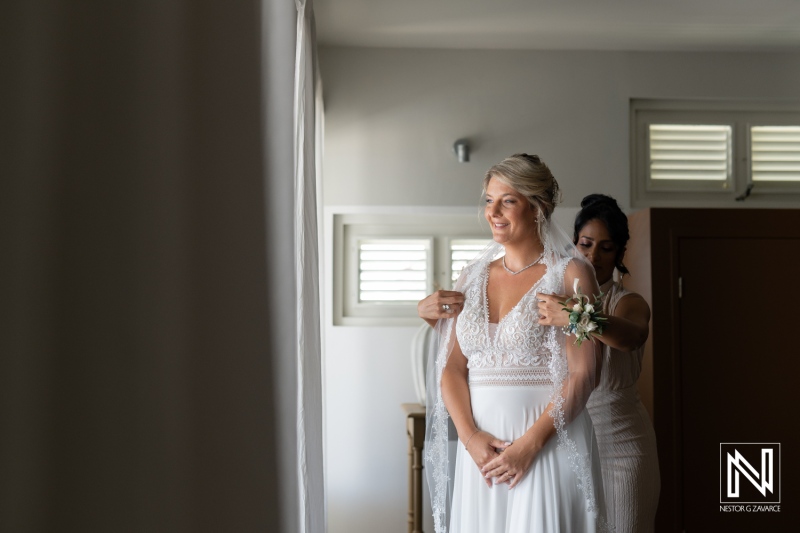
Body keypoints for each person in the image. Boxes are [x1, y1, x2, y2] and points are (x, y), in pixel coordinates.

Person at [420, 193, 659, 533]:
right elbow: (489, 350)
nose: (593, 255)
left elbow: (631, 337)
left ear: (621, 252)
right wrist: (434, 317)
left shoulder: (625, 301)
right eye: (587, 243)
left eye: (606, 248)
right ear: (574, 242)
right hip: (564, 423)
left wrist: (578, 315)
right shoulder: (553, 286)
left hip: (615, 437)